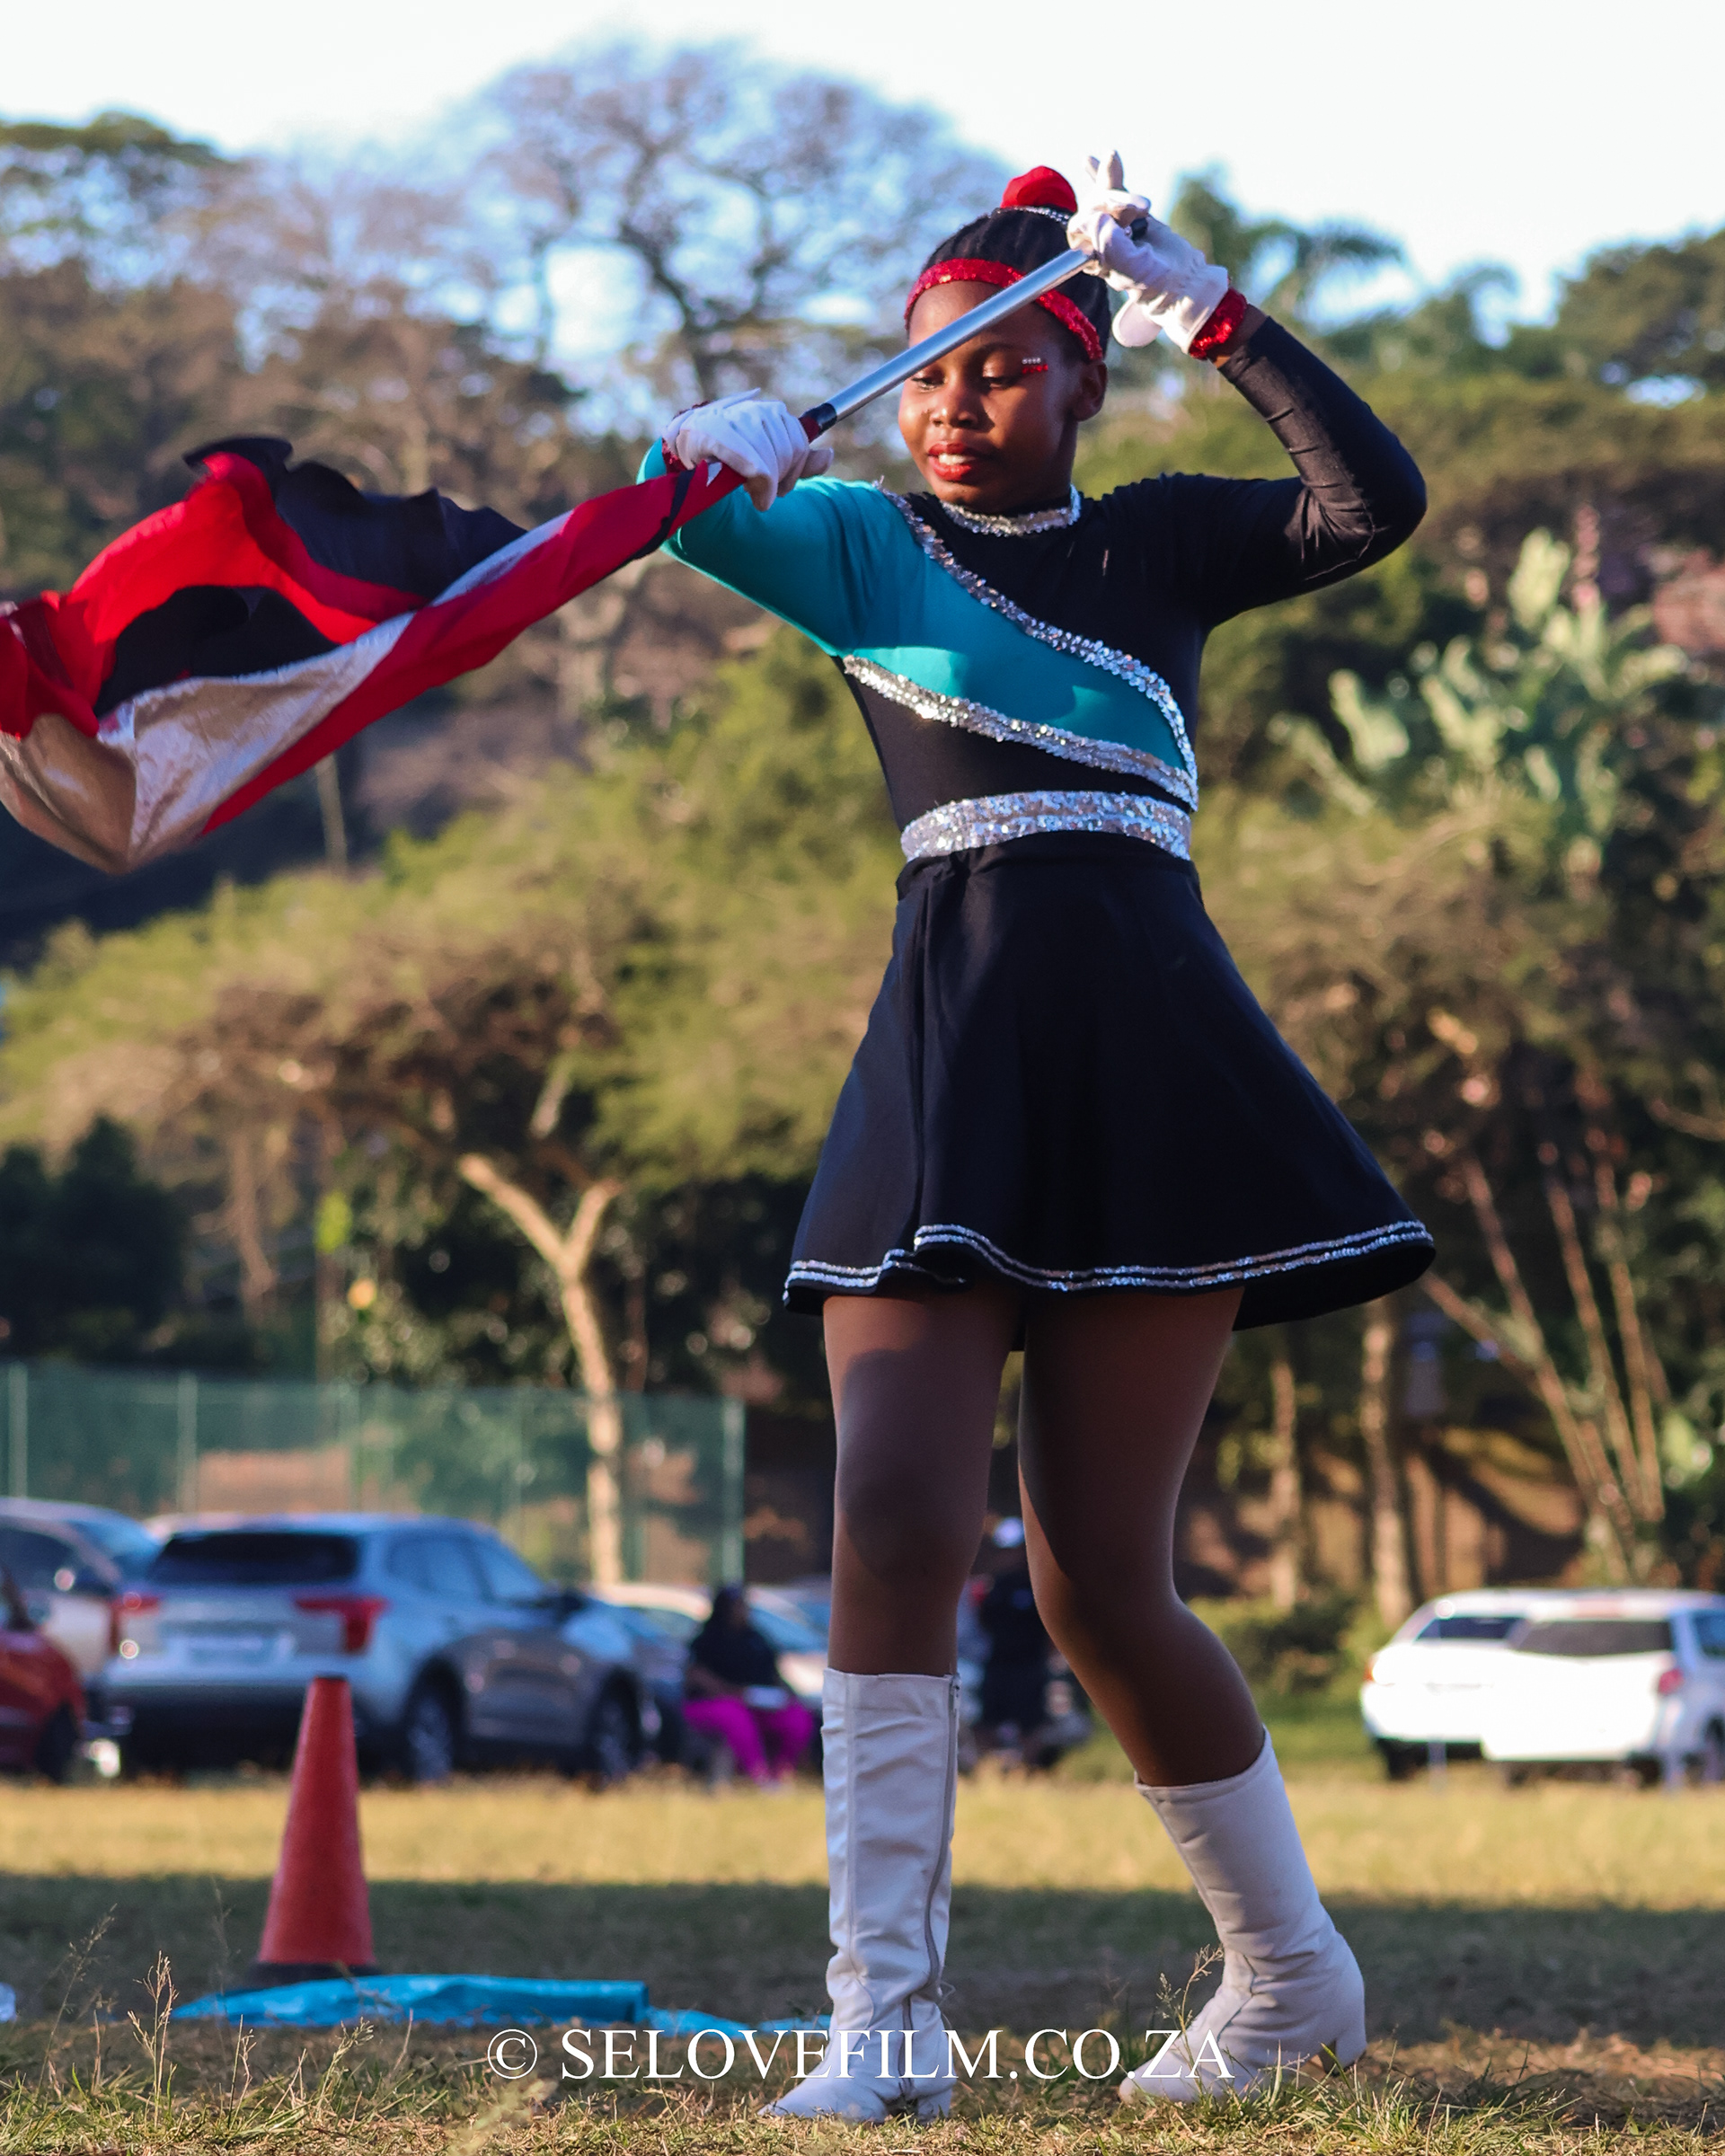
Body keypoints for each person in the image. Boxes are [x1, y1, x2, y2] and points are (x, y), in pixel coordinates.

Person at [641, 156, 1433, 2116]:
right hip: (947, 1073)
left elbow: (1370, 504)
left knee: (1099, 1582)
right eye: (924, 375)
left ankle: (1292, 1982)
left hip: (1156, 1080)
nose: (953, 405)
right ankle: (882, 2028)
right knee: (895, 1520)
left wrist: (1220, 313)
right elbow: (661, 516)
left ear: (1083, 377)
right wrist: (698, 454)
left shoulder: (1163, 543)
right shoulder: (856, 547)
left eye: (998, 370)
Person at [680, 1585, 815, 1785]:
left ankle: (782, 1773)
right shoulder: (706, 1640)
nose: (742, 1611)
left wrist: (784, 1695)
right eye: (737, 1606)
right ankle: (758, 1775)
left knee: (797, 1717)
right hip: (714, 1703)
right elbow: (697, 1676)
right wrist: (733, 1692)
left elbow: (774, 1675)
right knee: (735, 1715)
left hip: (759, 1703)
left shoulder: (756, 1639)